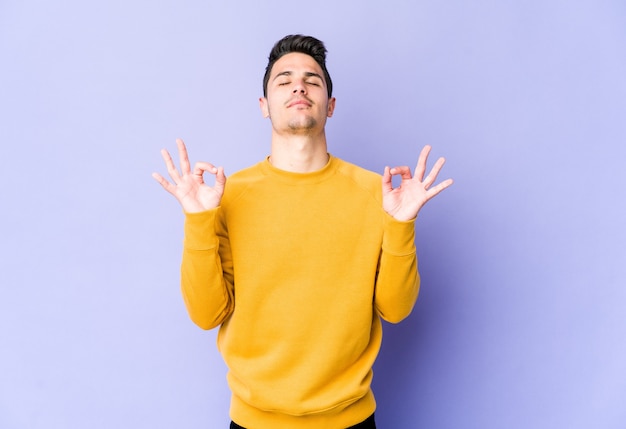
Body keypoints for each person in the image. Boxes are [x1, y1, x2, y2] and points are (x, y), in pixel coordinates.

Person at [152, 34, 453, 429]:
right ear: (264, 106)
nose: (299, 86)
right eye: (284, 80)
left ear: (329, 105)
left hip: (351, 419)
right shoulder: (225, 197)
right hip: (253, 422)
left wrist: (401, 225)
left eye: (312, 80)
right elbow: (207, 315)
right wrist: (197, 220)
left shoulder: (374, 194)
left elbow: (395, 310)